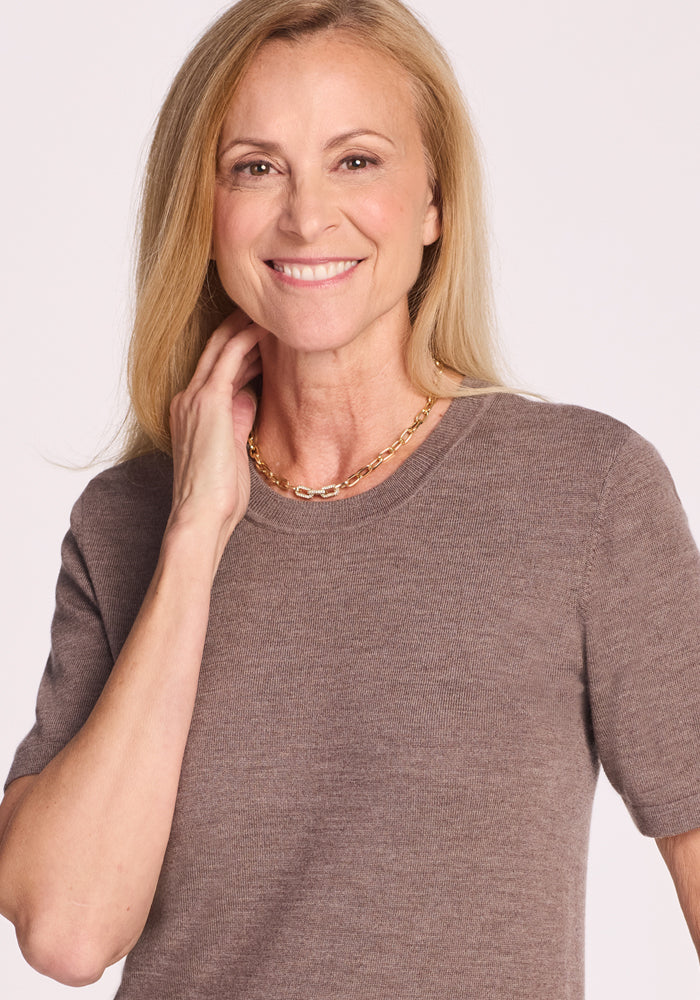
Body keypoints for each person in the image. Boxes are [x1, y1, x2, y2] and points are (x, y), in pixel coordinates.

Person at [0, 0, 699, 997]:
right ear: (204, 211)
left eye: (356, 160)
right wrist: (194, 537)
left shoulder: (585, 494)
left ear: (434, 203)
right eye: (256, 166)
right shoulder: (127, 523)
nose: (305, 214)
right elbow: (67, 931)